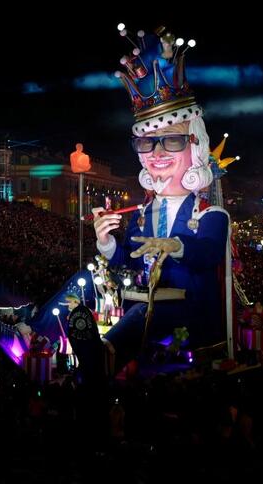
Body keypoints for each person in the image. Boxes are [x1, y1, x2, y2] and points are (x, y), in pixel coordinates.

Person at [92, 25, 231, 371]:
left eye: (171, 140)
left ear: (195, 146)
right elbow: (133, 258)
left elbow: (207, 252)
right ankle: (34, 333)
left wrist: (175, 245)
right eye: (147, 142)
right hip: (145, 309)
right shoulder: (146, 213)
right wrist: (107, 242)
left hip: (191, 317)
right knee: (83, 293)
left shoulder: (211, 213)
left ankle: (100, 360)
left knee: (142, 316)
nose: (156, 153)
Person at [63, 292, 105, 386]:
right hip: (90, 350)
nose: (68, 305)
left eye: (69, 302)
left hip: (85, 351)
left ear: (75, 301)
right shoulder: (82, 311)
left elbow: (74, 333)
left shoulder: (79, 312)